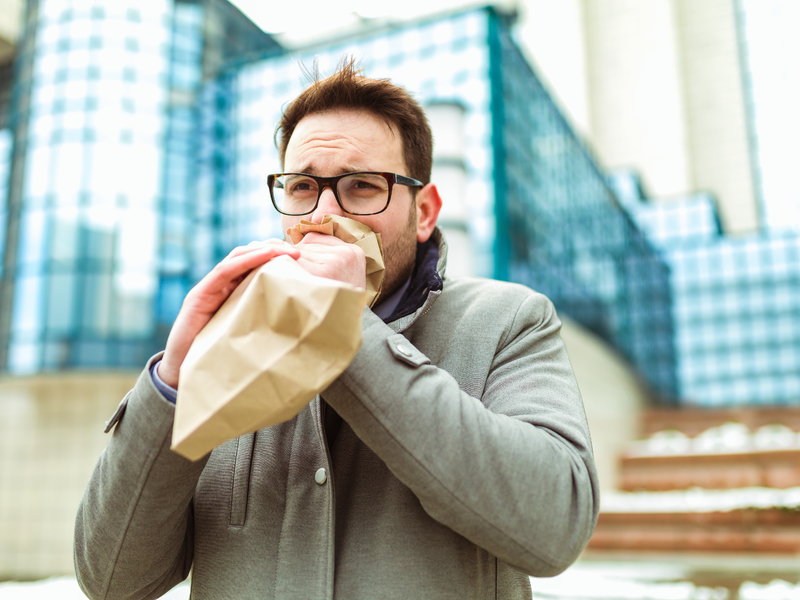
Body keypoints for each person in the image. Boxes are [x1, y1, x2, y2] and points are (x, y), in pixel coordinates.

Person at [74, 59, 599, 600]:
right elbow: (114, 580)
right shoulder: (229, 343)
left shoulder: (507, 321)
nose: (323, 215)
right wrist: (174, 382)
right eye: (302, 186)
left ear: (424, 213)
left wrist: (347, 331)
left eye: (362, 186)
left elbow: (556, 527)